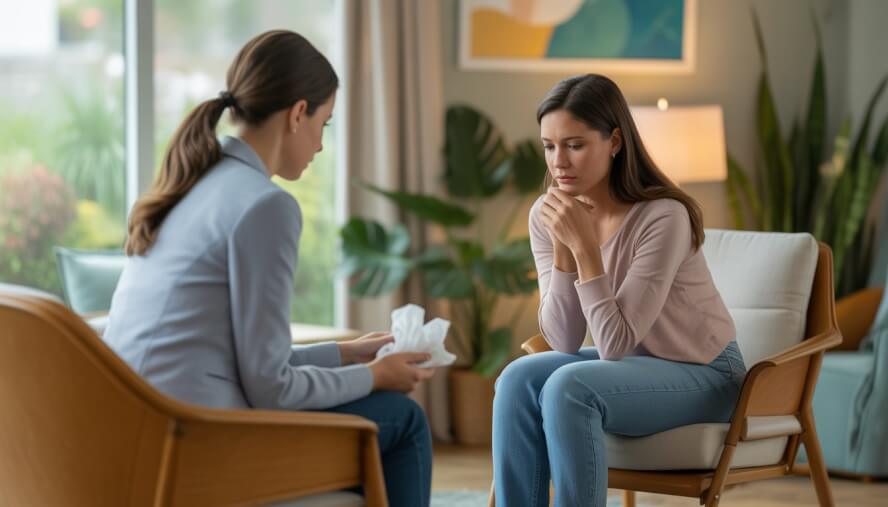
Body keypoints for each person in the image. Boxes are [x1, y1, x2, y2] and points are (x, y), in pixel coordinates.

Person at [104, 30, 433, 507]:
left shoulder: (193, 182)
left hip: (139, 427)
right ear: (298, 113)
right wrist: (377, 377)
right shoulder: (265, 206)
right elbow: (272, 388)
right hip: (197, 442)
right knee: (403, 419)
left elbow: (238, 361)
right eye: (325, 122)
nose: (321, 143)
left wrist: (344, 353)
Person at [491, 74, 746, 507]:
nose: (559, 163)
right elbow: (564, 340)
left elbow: (612, 344)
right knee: (518, 378)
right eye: (549, 147)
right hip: (635, 366)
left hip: (708, 375)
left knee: (569, 387)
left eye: (574, 145)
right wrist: (562, 249)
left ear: (613, 141)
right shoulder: (548, 214)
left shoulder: (663, 217)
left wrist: (586, 247)